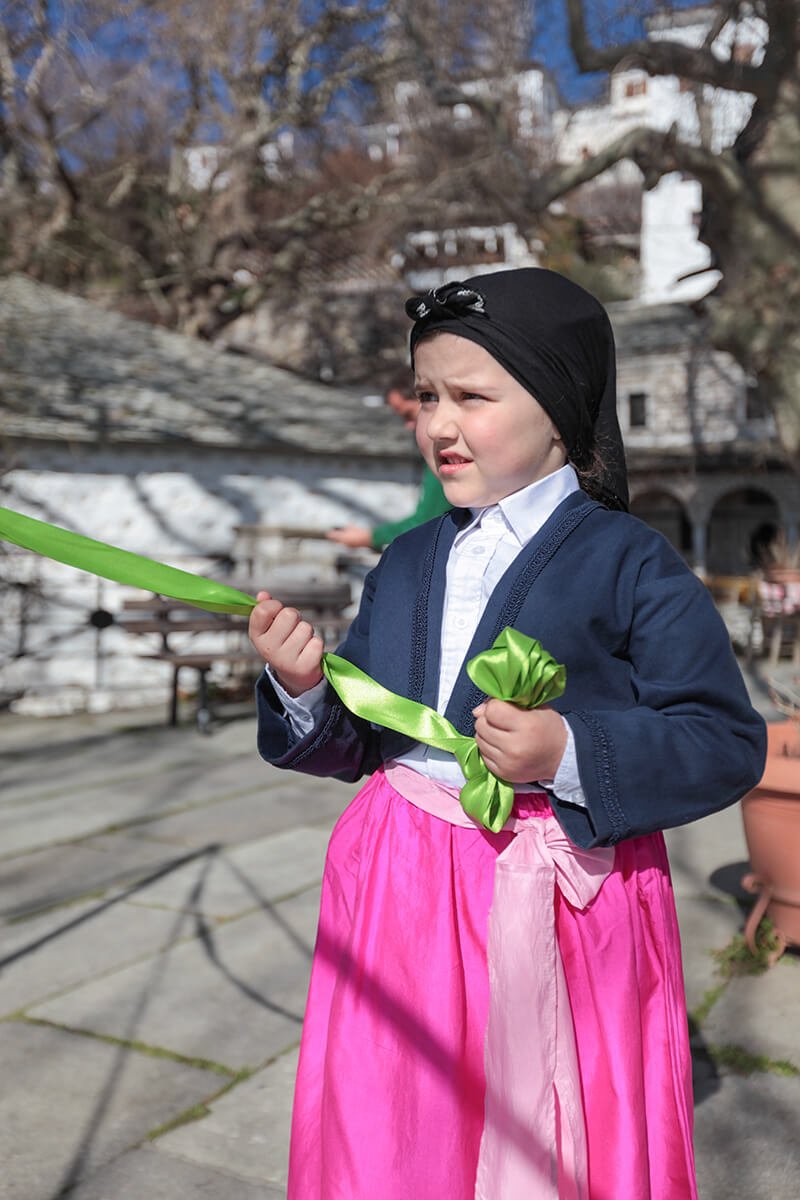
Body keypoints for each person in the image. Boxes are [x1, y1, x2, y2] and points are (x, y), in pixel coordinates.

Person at [248, 270, 766, 1200]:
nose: (439, 424)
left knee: (551, 1124)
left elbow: (723, 739)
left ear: (559, 410)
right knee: (397, 1114)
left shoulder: (630, 561)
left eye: (472, 397)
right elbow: (363, 740)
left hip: (560, 899)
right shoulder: (409, 560)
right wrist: (301, 691)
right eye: (428, 397)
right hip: (397, 889)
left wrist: (568, 755)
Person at [325, 372, 451, 550]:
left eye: (408, 414)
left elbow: (426, 523)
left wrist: (371, 538)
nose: (409, 426)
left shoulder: (446, 459)